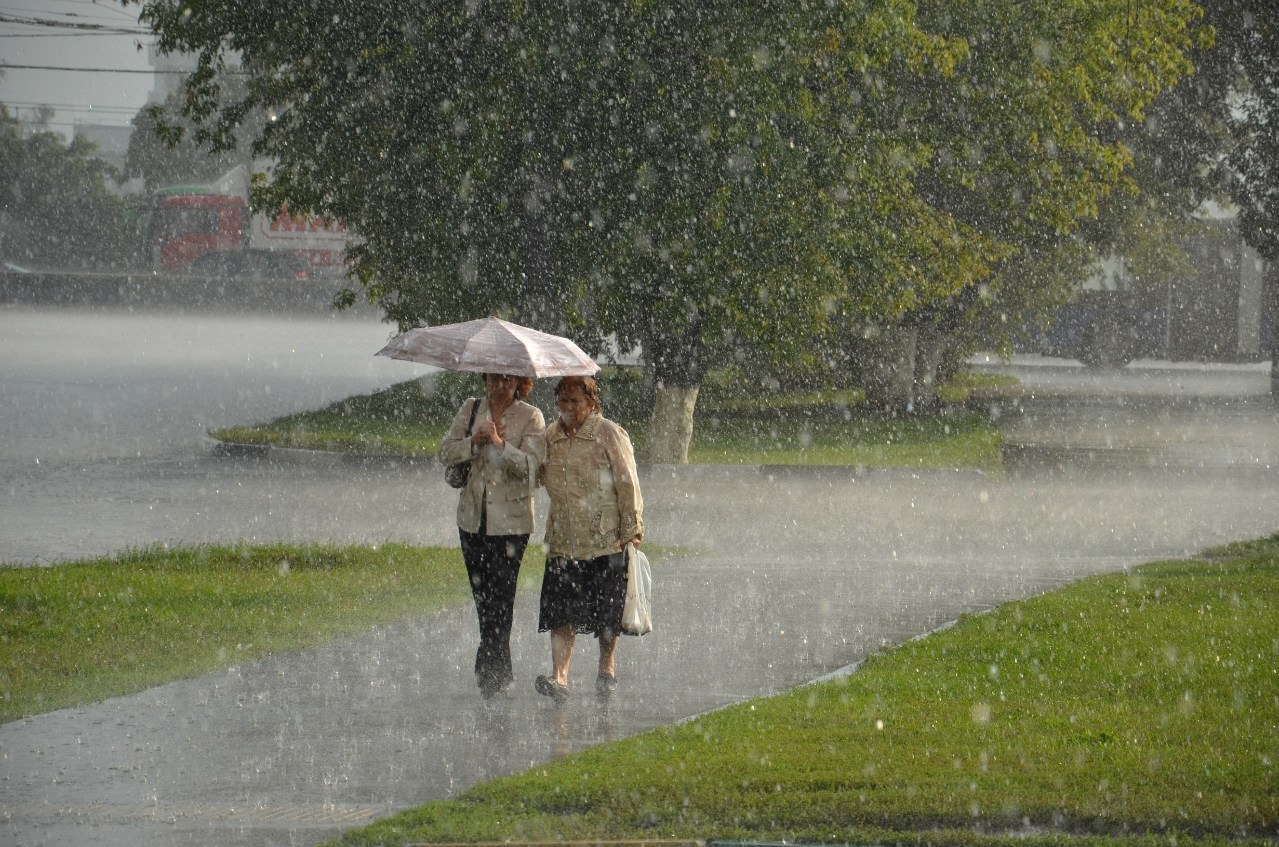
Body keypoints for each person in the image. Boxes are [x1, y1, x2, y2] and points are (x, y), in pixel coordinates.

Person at [534, 375, 644, 702]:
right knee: (561, 612)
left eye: (575, 402)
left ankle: (606, 666)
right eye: (563, 401)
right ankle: (560, 679)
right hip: (563, 539)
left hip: (604, 538)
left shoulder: (608, 433)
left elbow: (628, 482)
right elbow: (534, 474)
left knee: (606, 613)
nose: (568, 408)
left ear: (591, 403)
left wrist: (633, 528)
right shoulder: (550, 437)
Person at [439, 373, 545, 698]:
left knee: (502, 596)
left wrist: (500, 445)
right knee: (482, 596)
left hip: (511, 524)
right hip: (472, 520)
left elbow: (533, 469)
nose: (501, 386)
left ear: (520, 383)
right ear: (486, 379)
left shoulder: (531, 416)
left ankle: (491, 671)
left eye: (508, 380)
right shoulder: (471, 408)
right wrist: (474, 442)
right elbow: (445, 453)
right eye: (495, 379)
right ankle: (497, 667)